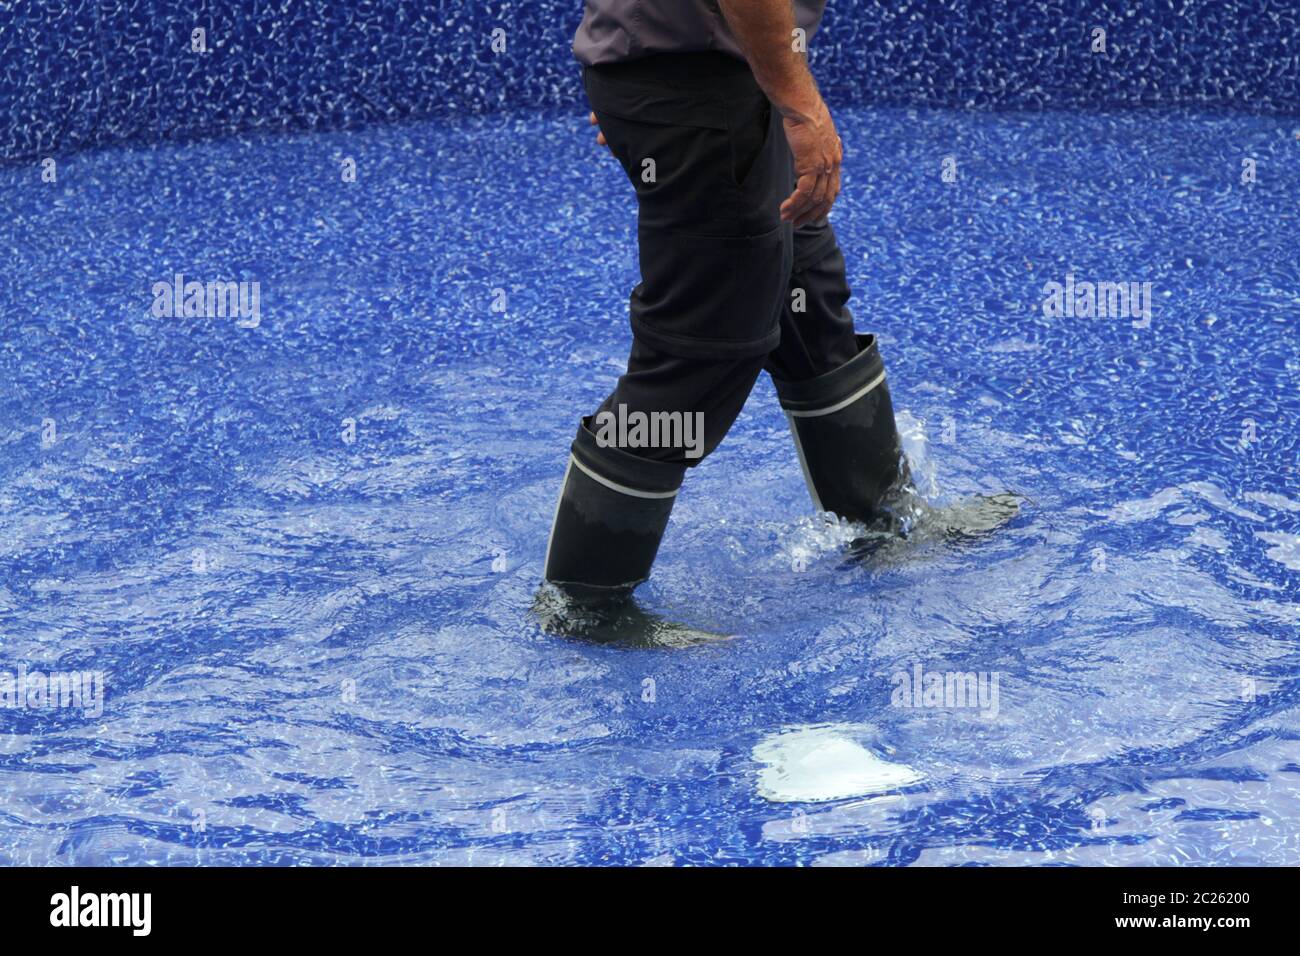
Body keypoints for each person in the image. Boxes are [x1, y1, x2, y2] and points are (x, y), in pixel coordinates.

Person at [544, 0, 916, 599]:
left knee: (806, 299)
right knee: (705, 343)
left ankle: (885, 523)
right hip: (699, 88)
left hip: (717, 76)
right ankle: (587, 601)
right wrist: (800, 108)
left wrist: (628, 49)